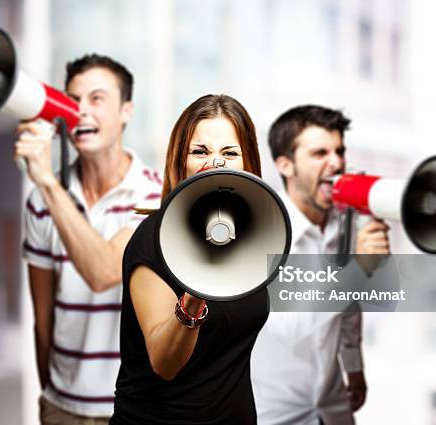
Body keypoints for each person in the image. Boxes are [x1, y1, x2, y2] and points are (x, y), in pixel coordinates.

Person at [17, 54, 162, 425]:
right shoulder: (39, 203)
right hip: (61, 406)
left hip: (132, 407)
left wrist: (48, 183)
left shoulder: (154, 195)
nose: (81, 111)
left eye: (96, 99)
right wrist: (53, 392)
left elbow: (104, 272)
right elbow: (42, 315)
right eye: (72, 99)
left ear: (126, 110)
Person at [110, 94, 267, 425]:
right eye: (200, 152)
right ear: (179, 163)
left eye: (229, 153)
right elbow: (165, 363)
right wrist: (195, 293)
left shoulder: (250, 240)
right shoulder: (152, 241)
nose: (215, 163)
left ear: (248, 163)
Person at [251, 105, 391, 425]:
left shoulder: (344, 224)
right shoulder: (263, 232)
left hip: (333, 408)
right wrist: (358, 269)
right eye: (320, 153)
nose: (337, 163)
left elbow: (348, 306)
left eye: (339, 151)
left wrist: (353, 366)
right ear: (285, 165)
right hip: (276, 413)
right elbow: (288, 328)